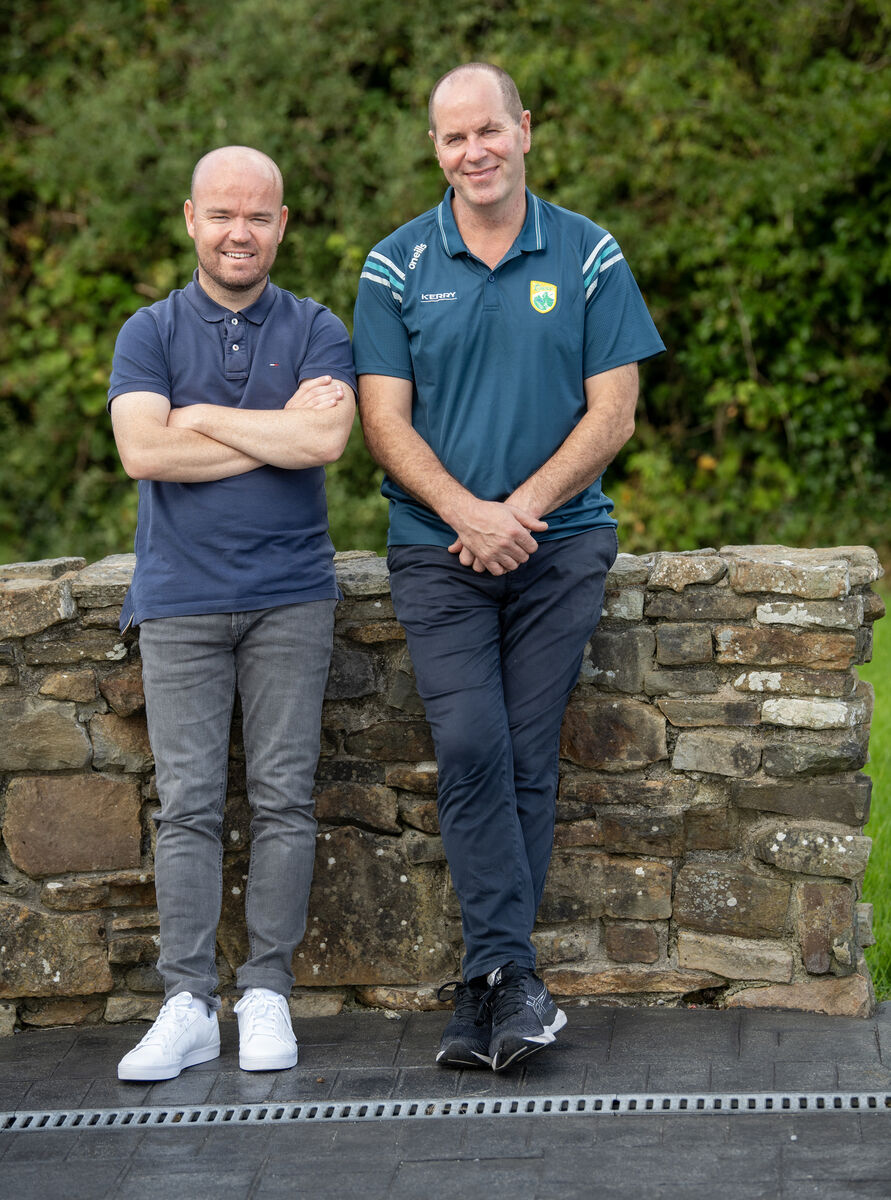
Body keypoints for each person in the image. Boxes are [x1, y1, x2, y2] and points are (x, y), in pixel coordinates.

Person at [352, 64, 665, 1072]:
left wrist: (517, 514)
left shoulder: (588, 254)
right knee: (475, 741)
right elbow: (382, 421)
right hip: (435, 551)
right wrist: (465, 515)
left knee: (529, 756)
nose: (473, 152)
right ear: (435, 150)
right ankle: (510, 981)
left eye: (488, 130)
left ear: (524, 129)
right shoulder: (394, 265)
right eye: (453, 139)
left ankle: (490, 987)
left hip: (560, 547)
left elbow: (612, 411)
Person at [108, 145, 356, 1081]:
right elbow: (143, 452)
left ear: (281, 224)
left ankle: (265, 994)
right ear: (190, 220)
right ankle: (183, 1005)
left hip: (292, 595)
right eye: (221, 215)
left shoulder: (320, 325)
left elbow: (326, 436)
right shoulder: (148, 330)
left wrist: (197, 417)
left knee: (287, 799)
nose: (238, 232)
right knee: (189, 807)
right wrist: (269, 434)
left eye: (257, 215)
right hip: (180, 599)